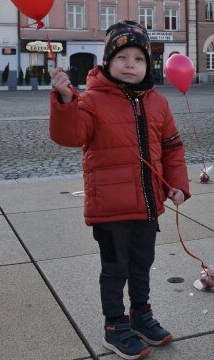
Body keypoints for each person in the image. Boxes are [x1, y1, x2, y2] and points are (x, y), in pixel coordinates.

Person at [49, 20, 189, 360]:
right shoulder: (92, 100)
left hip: (147, 205)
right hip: (109, 210)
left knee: (142, 264)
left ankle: (140, 315)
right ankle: (115, 326)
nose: (130, 64)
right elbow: (70, 136)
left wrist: (178, 185)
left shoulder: (158, 103)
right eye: (123, 57)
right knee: (115, 270)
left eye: (138, 59)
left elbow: (172, 148)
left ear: (148, 65)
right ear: (108, 61)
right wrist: (66, 100)